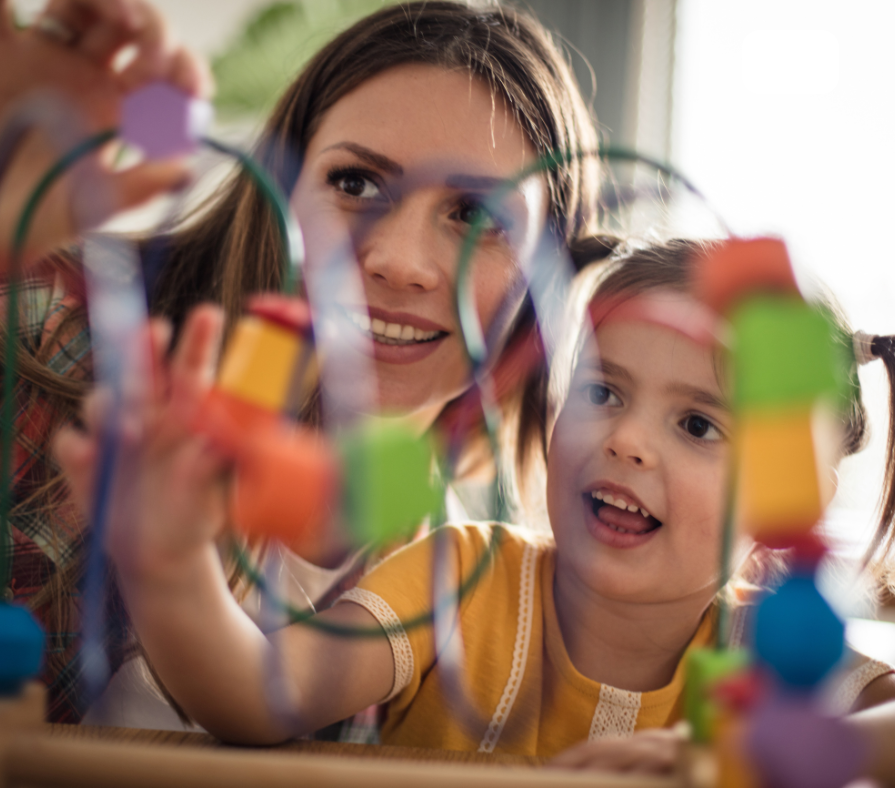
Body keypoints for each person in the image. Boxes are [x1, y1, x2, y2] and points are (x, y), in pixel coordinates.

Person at [0, 0, 607, 725]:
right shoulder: (48, 319)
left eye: (477, 217)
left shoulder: (456, 589)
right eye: (355, 183)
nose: (399, 262)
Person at [55, 238, 895, 777]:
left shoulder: (777, 650)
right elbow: (254, 695)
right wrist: (167, 567)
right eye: (603, 389)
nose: (628, 440)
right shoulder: (462, 576)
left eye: (698, 423)